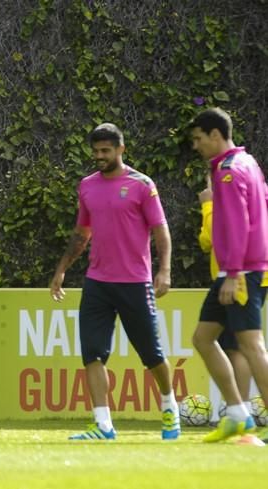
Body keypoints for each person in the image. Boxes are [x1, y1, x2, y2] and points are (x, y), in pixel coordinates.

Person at [49, 123, 180, 440]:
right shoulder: (87, 186)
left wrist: (164, 271)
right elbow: (82, 233)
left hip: (135, 283)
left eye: (105, 151)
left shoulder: (142, 185)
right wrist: (62, 268)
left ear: (121, 149)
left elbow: (161, 231)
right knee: (92, 353)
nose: (100, 156)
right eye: (95, 151)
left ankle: (169, 405)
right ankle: (103, 424)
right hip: (97, 283)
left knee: (151, 354)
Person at [189, 107, 268, 443]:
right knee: (203, 339)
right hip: (240, 269)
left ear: (215, 135)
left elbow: (238, 224)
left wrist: (234, 272)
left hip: (241, 271)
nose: (195, 146)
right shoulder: (247, 163)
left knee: (252, 347)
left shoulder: (228, 171)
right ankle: (238, 415)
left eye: (197, 139)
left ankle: (246, 415)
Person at [198, 176, 258, 422]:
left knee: (242, 347)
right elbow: (205, 242)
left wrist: (208, 205)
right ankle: (238, 412)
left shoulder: (227, 199)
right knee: (220, 343)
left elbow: (211, 238)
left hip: (238, 277)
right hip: (229, 277)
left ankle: (241, 412)